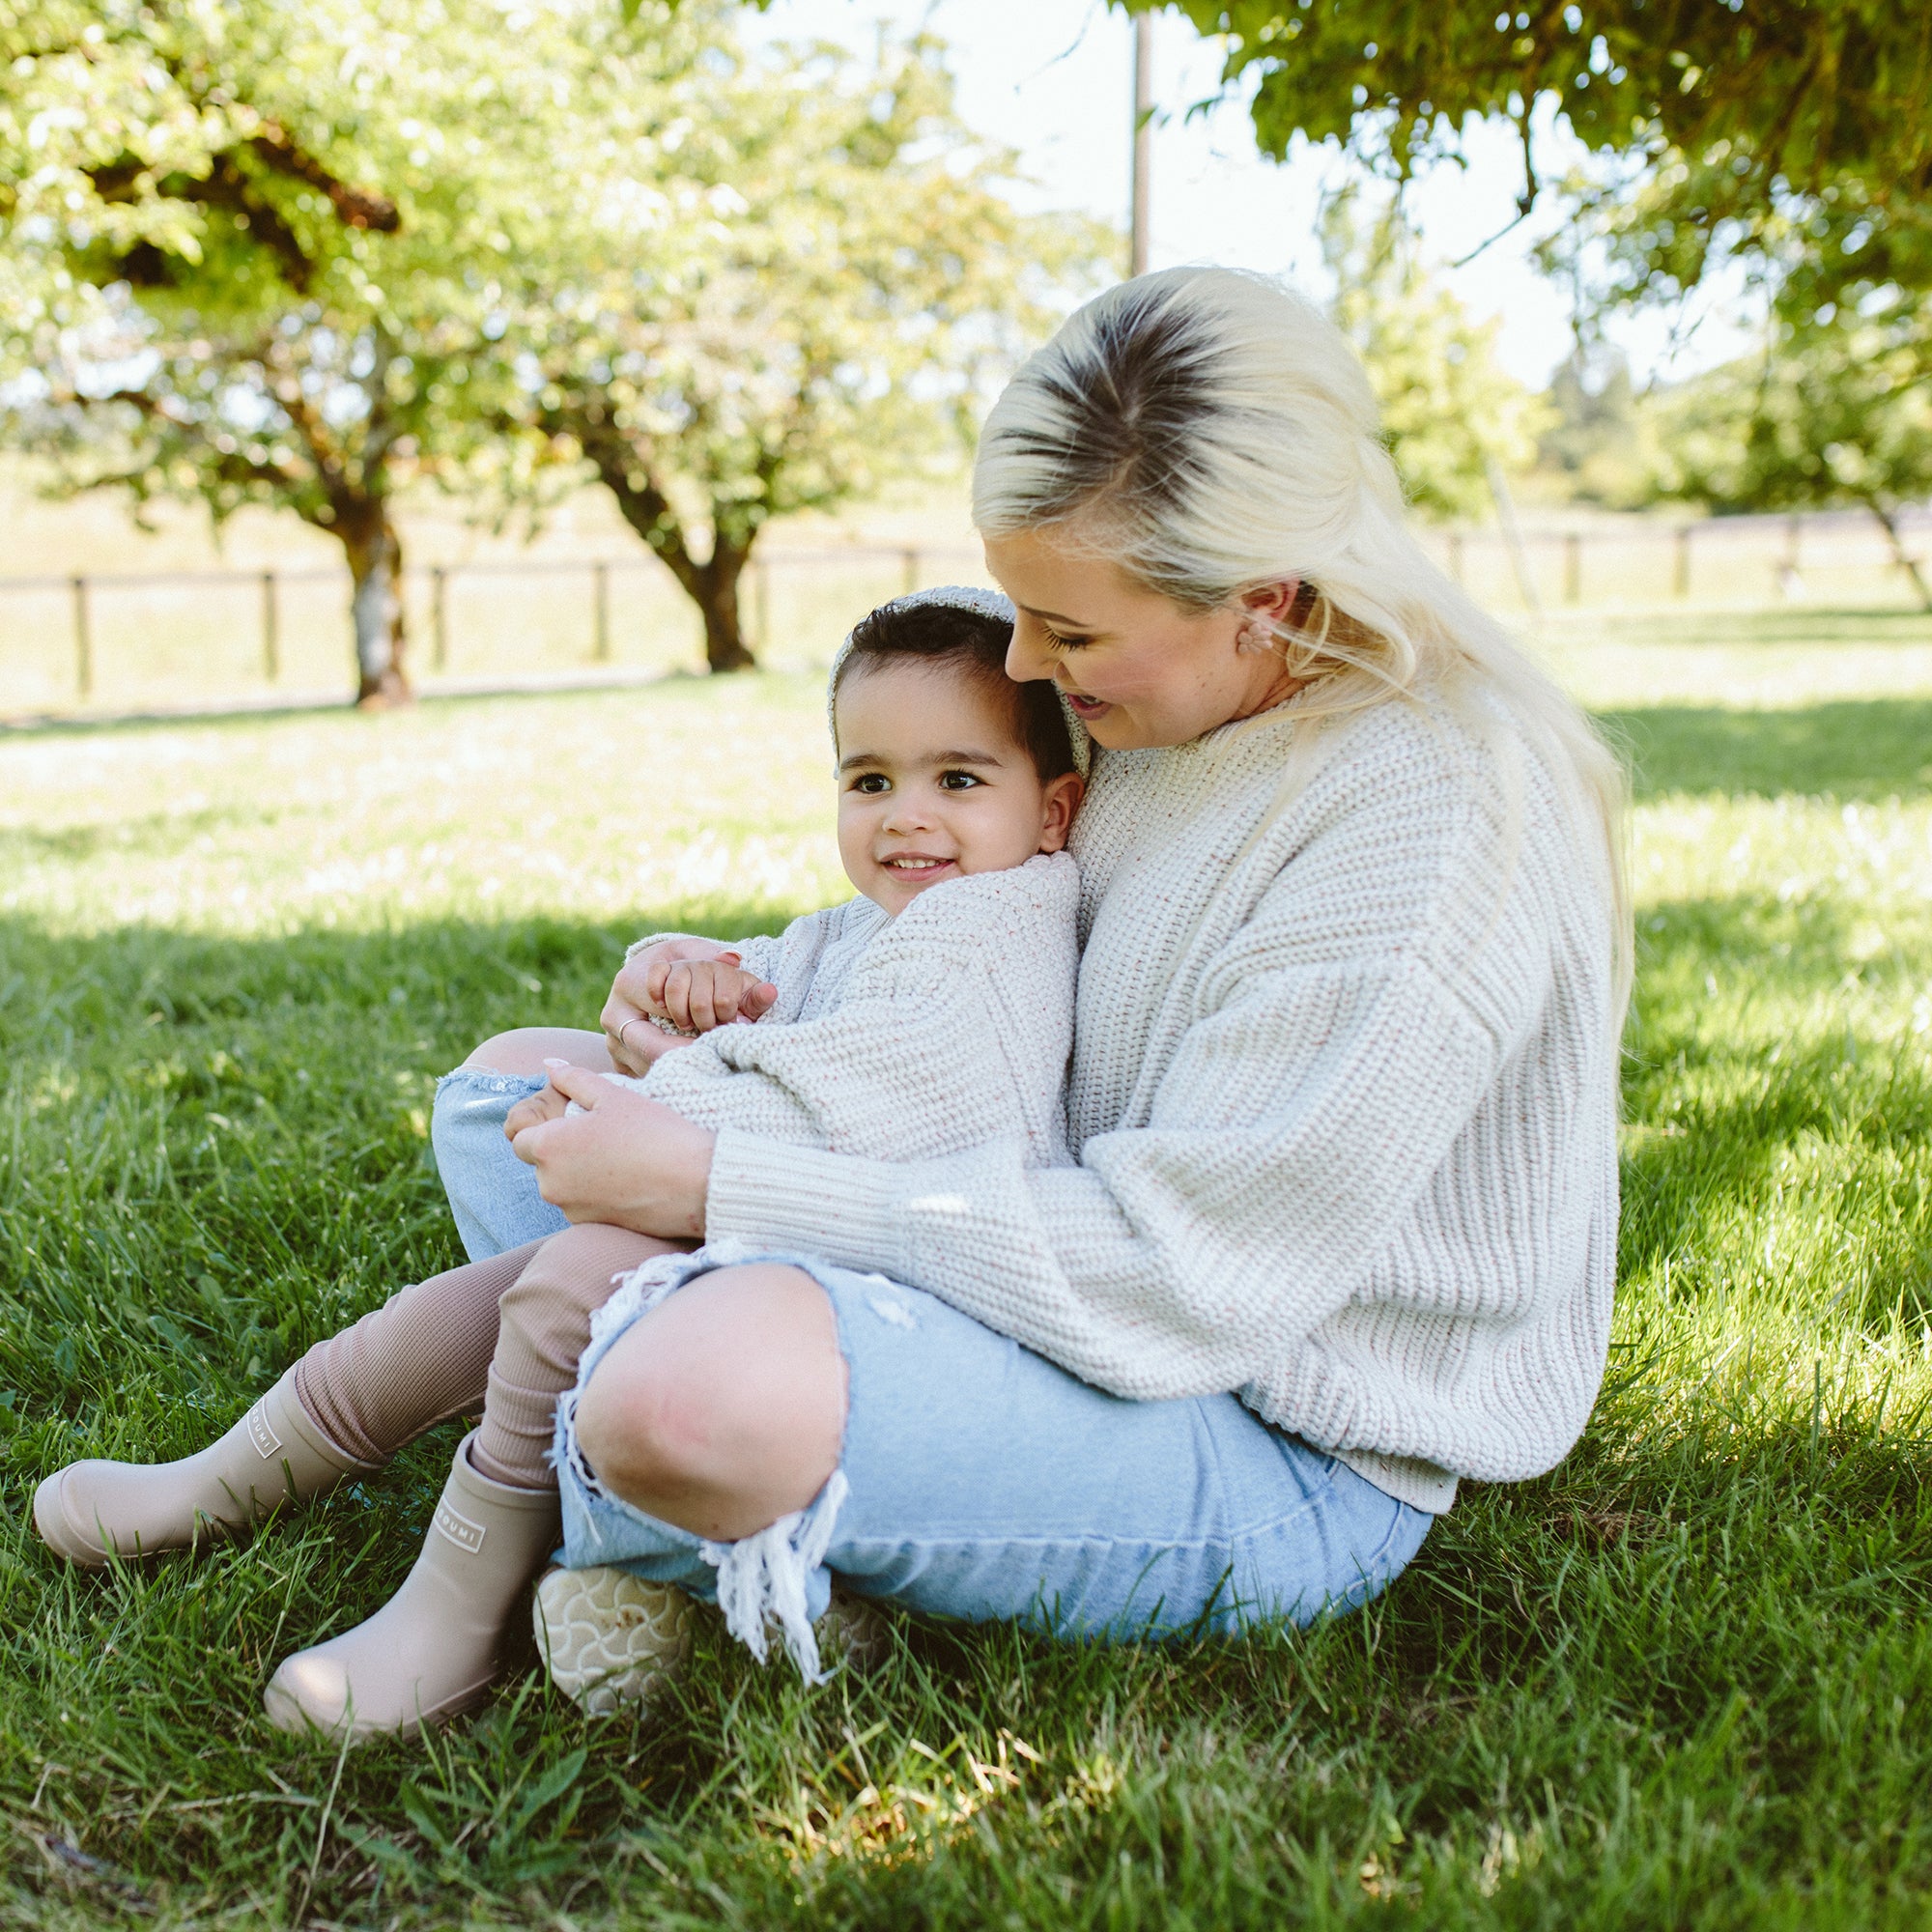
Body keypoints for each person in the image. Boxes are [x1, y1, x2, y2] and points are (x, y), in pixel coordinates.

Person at [435, 266, 1632, 1700]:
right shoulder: (1162, 693)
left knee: (687, 1395)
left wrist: (717, 1181)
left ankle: (671, 1468)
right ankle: (769, 1489)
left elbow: (1186, 1274)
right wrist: (720, 993)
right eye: (1020, 608)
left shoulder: (1428, 824)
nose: (1020, 661)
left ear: (1264, 599)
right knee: (515, 1089)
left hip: (1257, 1419)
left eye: (1065, 631)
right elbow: (972, 935)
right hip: (1022, 1221)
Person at [32, 587, 1085, 1743]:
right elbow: (783, 982)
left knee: (570, 1275)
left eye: (959, 779)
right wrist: (682, 973)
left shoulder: (993, 939)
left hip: (891, 1319)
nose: (904, 817)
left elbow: (860, 1116)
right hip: (794, 1248)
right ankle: (234, 1475)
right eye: (869, 779)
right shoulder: (899, 913)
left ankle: (455, 1606)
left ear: (1053, 808)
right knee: (513, 1281)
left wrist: (664, 1090)